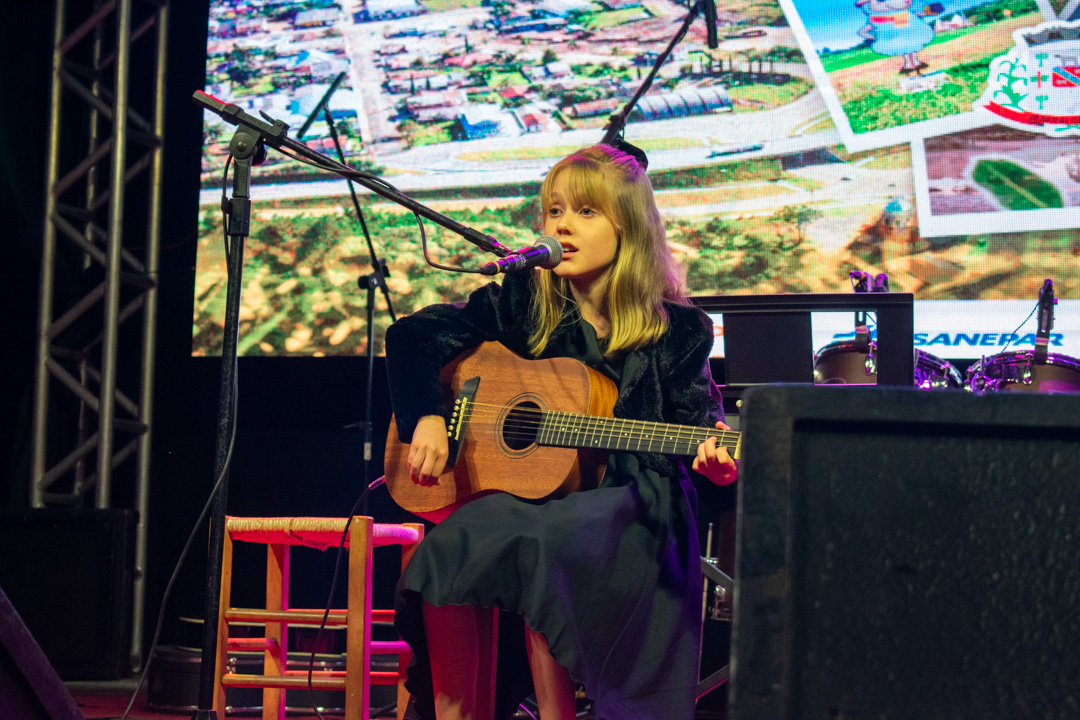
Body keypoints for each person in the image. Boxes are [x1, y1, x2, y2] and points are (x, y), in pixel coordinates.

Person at [383, 143, 737, 720]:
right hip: (536, 495)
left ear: (629, 227)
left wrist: (718, 463)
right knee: (452, 544)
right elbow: (414, 337)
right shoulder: (525, 300)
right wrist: (428, 415)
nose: (561, 226)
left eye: (585, 212)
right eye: (553, 211)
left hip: (633, 498)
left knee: (547, 545)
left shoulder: (679, 331)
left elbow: (700, 426)